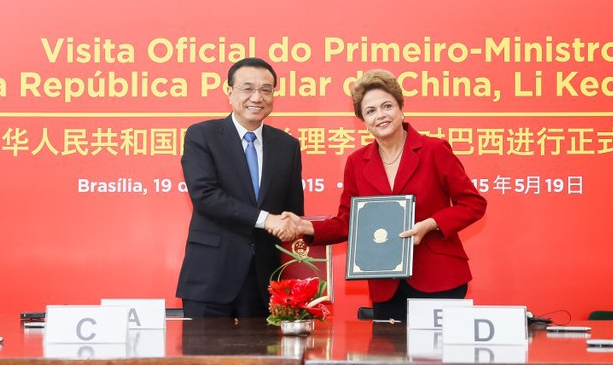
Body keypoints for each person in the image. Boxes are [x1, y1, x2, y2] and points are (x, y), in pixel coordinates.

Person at [287, 69, 487, 321]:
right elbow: (348, 223)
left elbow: (473, 204)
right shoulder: (357, 162)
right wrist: (307, 226)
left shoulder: (434, 150)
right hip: (386, 286)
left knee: (437, 358)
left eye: (387, 106)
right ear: (363, 120)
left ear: (401, 109)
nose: (380, 115)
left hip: (439, 277)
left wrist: (431, 224)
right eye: (370, 111)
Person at [176, 57, 303, 318]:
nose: (257, 97)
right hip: (210, 280)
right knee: (204, 359)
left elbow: (292, 209)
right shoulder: (202, 136)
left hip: (264, 283)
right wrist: (266, 219)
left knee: (261, 359)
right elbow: (205, 196)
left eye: (266, 90)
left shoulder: (287, 146)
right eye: (247, 88)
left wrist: (294, 224)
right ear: (229, 91)